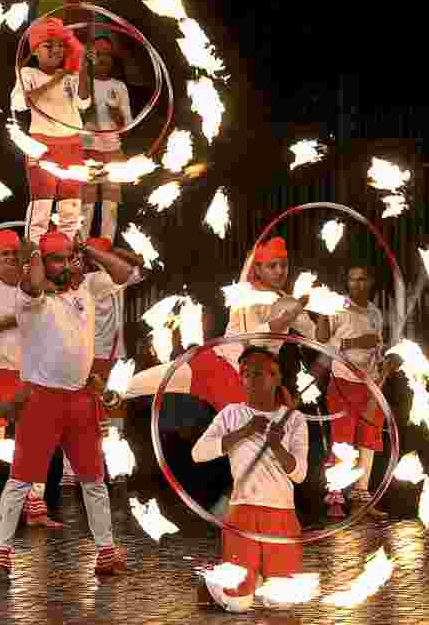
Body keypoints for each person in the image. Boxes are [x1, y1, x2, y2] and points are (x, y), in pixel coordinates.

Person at [0, 231, 133, 582]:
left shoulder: (85, 289)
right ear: (40, 261)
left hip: (81, 401)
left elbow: (124, 274)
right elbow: (35, 282)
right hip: (41, 403)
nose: (65, 265)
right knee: (20, 480)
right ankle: (1, 555)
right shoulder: (29, 297)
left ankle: (106, 553)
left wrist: (87, 251)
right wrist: (37, 252)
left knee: (94, 481)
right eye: (57, 259)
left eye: (68, 258)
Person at [124, 237, 324, 413]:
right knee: (149, 381)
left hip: (242, 381)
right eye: (272, 266)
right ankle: (110, 393)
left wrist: (326, 311)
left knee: (254, 443)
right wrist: (284, 320)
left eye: (284, 265)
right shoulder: (243, 291)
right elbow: (251, 339)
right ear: (258, 268)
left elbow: (319, 338)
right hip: (211, 363)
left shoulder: (289, 303)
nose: (280, 271)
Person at [192, 347, 308, 613]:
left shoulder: (295, 419)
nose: (249, 379)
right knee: (237, 604)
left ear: (276, 376)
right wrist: (243, 432)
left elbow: (300, 473)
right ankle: (216, 581)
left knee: (281, 605)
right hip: (242, 514)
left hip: (282, 517)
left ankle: (255, 573)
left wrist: (277, 446)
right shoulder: (231, 414)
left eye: (257, 373)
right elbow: (198, 453)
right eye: (244, 374)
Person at [0, 229, 61, 528]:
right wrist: (9, 321)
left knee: (36, 441)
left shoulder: (33, 287)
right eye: (4, 253)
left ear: (23, 258)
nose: (10, 258)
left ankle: (35, 508)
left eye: (15, 253)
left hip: (31, 373)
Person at [60, 236, 145, 487]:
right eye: (98, 256)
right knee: (81, 415)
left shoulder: (114, 279)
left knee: (115, 414)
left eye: (105, 256)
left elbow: (142, 268)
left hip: (116, 357)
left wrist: (118, 251)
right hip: (90, 356)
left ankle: (114, 468)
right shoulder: (90, 282)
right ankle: (70, 471)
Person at [319, 265, 398, 519]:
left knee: (369, 440)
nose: (357, 284)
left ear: (371, 281)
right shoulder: (337, 307)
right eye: (352, 280)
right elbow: (322, 340)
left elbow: (376, 348)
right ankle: (335, 500)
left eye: (362, 279)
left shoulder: (375, 312)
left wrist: (386, 363)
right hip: (344, 381)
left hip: (371, 384)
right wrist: (353, 342)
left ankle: (361, 499)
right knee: (342, 441)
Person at [10, 17, 93, 243]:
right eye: (48, 46)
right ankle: (35, 254)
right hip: (41, 144)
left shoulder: (70, 76)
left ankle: (67, 253)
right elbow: (20, 104)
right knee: (41, 205)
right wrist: (55, 80)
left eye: (59, 45)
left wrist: (82, 69)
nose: (56, 50)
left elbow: (84, 103)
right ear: (35, 51)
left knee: (71, 205)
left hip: (72, 143)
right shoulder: (28, 74)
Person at [80, 35, 132, 243]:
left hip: (113, 152)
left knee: (110, 206)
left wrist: (116, 115)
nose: (103, 59)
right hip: (88, 151)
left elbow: (127, 124)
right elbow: (74, 112)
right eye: (98, 54)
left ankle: (105, 248)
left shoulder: (119, 86)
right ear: (90, 56)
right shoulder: (81, 81)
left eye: (107, 55)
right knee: (86, 205)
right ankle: (81, 249)